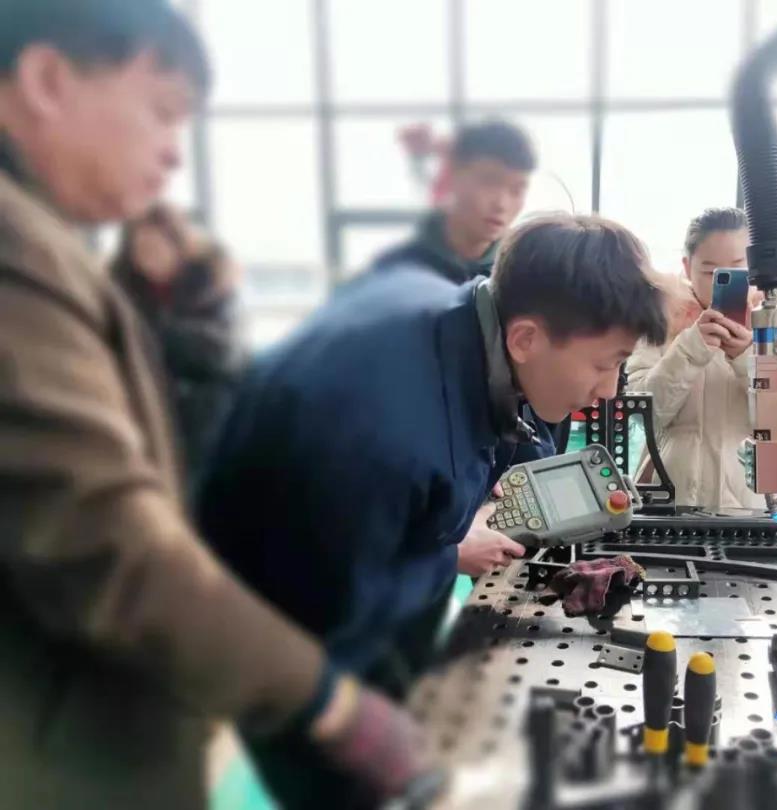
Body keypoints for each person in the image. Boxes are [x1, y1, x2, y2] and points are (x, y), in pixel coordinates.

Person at [0, 3, 432, 808]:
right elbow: (103, 540)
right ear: (48, 80)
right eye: (162, 111)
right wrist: (329, 702)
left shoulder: (48, 244)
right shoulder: (16, 244)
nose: (174, 152)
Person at [197, 213, 668, 807]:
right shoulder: (386, 437)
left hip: (328, 545)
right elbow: (327, 618)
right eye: (604, 364)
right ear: (525, 339)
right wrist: (447, 555)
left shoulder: (463, 315)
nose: (610, 390)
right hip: (273, 625)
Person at [626, 207, 765, 512]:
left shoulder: (774, 326)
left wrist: (746, 359)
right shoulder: (660, 322)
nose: (721, 281)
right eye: (710, 271)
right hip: (667, 498)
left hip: (745, 506)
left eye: (738, 269)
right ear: (687, 268)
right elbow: (643, 413)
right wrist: (690, 349)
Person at [111, 202, 243, 483]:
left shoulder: (212, 281)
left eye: (156, 248)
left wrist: (156, 333)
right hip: (142, 417)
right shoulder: (118, 289)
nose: (149, 258)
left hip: (205, 419)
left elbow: (225, 352)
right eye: (141, 249)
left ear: (177, 246)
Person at [371, 118, 536, 283]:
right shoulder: (397, 270)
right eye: (489, 183)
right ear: (453, 175)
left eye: (517, 190)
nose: (501, 205)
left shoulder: (524, 273)